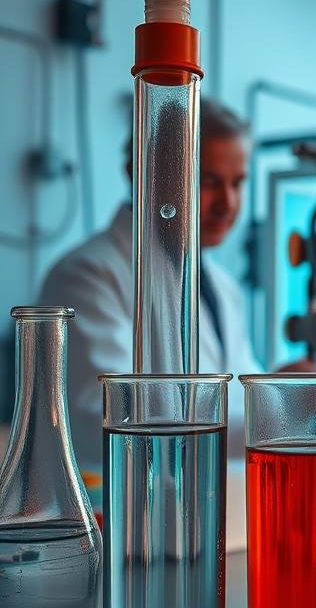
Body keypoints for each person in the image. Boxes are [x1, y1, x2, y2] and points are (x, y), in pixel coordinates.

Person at [39, 98, 276, 468]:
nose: (227, 204)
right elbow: (111, 419)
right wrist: (274, 421)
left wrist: (285, 395)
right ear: (145, 174)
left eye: (238, 182)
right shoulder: (87, 275)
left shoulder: (222, 287)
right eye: (208, 181)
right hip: (123, 510)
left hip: (207, 499)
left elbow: (238, 395)